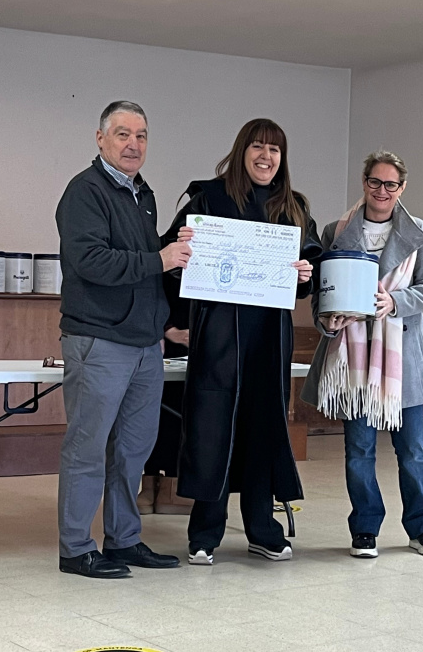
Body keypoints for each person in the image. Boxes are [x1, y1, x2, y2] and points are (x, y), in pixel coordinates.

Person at [163, 118, 321, 565]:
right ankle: (204, 532)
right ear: (241, 151)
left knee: (263, 427)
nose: (266, 157)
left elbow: (310, 270)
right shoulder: (208, 199)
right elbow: (170, 263)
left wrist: (305, 276)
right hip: (218, 339)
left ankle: (262, 529)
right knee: (212, 429)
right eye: (257, 147)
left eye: (274, 150)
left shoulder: (294, 207)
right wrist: (171, 323)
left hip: (269, 338)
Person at [55, 100, 193, 578]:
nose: (133, 144)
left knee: (133, 450)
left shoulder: (141, 193)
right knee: (88, 447)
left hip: (144, 344)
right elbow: (91, 261)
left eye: (141, 136)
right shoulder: (85, 191)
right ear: (100, 139)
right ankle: (75, 548)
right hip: (100, 339)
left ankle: (124, 540)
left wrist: (173, 257)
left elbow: (144, 262)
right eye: (122, 134)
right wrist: (161, 258)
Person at [302, 149, 423, 558]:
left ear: (402, 187)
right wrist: (328, 322)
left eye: (391, 184)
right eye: (375, 182)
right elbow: (323, 293)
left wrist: (395, 302)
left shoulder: (418, 230)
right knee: (359, 450)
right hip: (352, 359)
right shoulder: (335, 230)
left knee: (412, 451)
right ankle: (365, 528)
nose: (382, 191)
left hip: (403, 359)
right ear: (364, 182)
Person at [136, 274, 194, 516]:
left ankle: (163, 487)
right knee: (162, 412)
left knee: (172, 412)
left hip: (180, 336)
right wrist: (170, 330)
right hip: (166, 338)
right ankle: (158, 486)